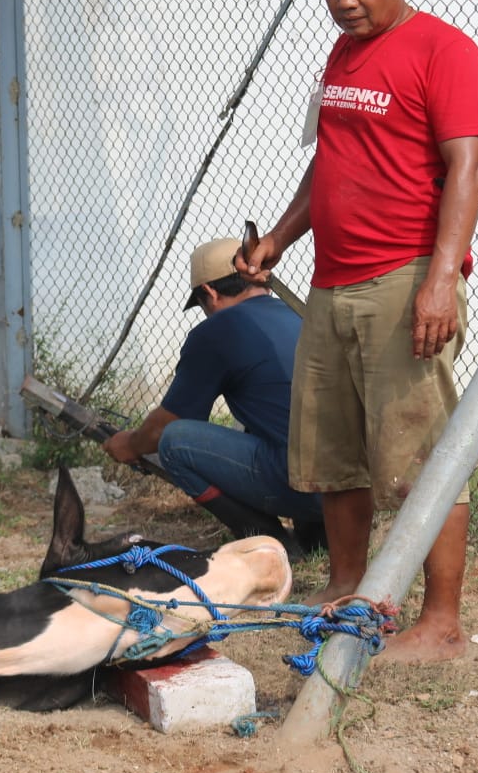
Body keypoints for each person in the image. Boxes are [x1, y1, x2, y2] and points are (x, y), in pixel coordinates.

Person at [237, 0, 478, 663]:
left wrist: (440, 279)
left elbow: (467, 165)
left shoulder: (444, 50)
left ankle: (441, 625)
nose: (345, 2)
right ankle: (347, 586)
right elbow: (331, 161)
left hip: (403, 281)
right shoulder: (343, 55)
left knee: (421, 461)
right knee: (336, 456)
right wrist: (280, 238)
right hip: (332, 283)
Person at [102, 238, 323, 559]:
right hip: (349, 488)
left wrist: (130, 444)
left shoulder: (218, 330)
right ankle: (319, 538)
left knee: (175, 442)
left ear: (210, 292)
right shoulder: (298, 314)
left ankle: (270, 542)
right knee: (272, 424)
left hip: (304, 486)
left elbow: (165, 427)